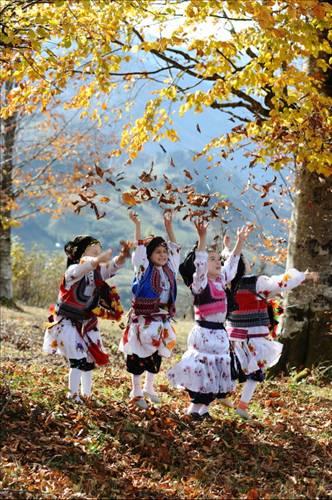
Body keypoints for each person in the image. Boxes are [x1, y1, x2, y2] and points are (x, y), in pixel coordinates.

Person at [222, 238, 319, 419]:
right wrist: (303, 276)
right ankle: (242, 405)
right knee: (255, 371)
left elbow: (229, 263)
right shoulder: (256, 283)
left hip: (233, 334)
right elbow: (280, 282)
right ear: (243, 266)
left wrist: (228, 248)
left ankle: (224, 394)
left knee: (235, 367)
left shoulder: (226, 285)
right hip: (255, 336)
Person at [168, 219, 252, 420]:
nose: (217, 262)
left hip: (219, 334)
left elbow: (231, 265)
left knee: (214, 372)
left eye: (218, 259)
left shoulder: (221, 281)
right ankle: (196, 409)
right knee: (202, 370)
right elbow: (200, 263)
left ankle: (201, 410)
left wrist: (240, 242)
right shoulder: (200, 283)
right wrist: (202, 239)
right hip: (204, 334)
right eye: (212, 259)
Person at [43, 235, 130, 403]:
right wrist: (97, 259)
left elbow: (112, 266)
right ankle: (72, 395)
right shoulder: (73, 270)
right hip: (66, 321)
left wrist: (122, 255)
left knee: (88, 360)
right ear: (80, 253)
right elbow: (81, 269)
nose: (98, 252)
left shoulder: (97, 272)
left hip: (85, 322)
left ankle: (87, 394)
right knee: (78, 359)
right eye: (93, 249)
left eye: (99, 249)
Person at [119, 210, 180, 409]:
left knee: (157, 354)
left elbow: (175, 249)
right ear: (149, 255)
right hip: (143, 320)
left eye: (164, 252)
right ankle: (136, 391)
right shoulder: (144, 269)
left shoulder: (170, 269)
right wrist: (137, 226)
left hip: (161, 319)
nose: (163, 255)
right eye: (158, 252)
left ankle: (149, 387)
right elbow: (139, 251)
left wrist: (169, 226)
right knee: (138, 355)